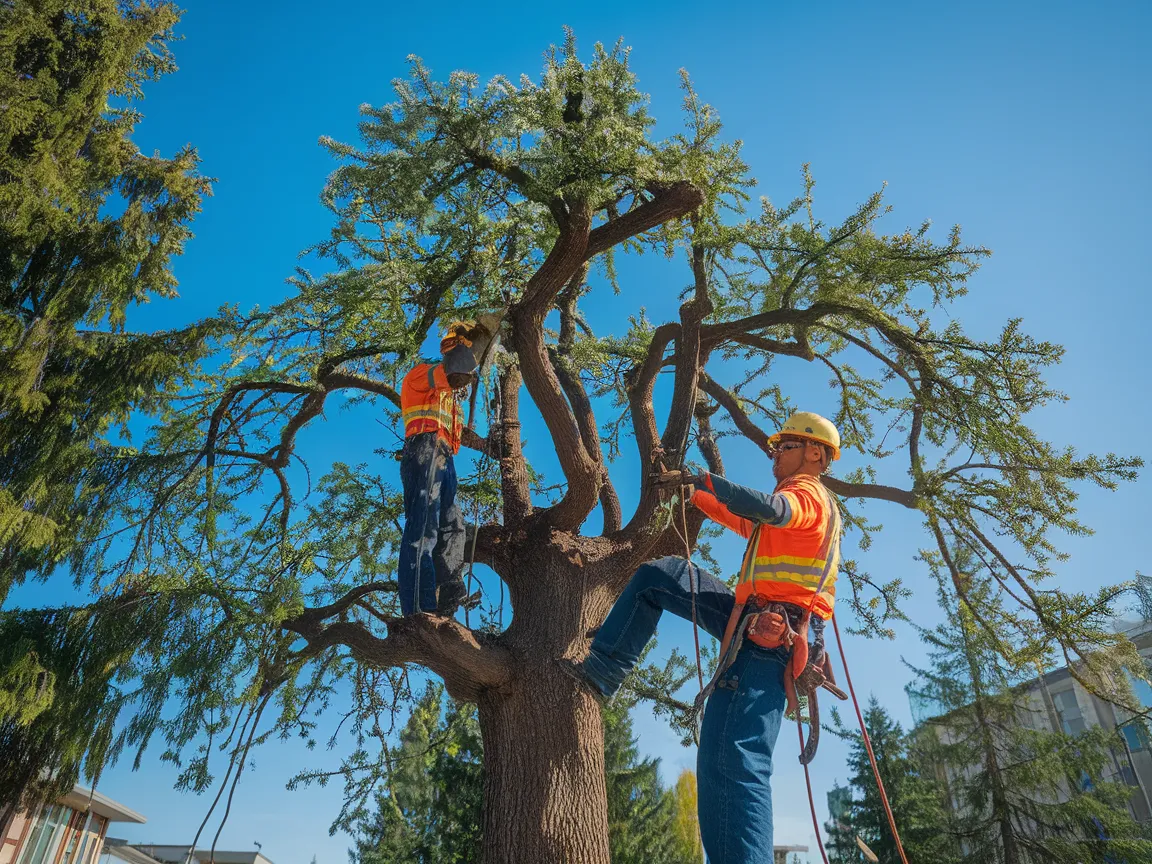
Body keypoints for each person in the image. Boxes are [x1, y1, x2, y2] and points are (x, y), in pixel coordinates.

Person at [567, 411, 843, 864]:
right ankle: (601, 670)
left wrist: (706, 480)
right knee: (662, 575)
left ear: (814, 452)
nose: (775, 454)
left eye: (785, 447)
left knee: (734, 765)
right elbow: (747, 521)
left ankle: (601, 671)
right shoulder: (798, 514)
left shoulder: (807, 494)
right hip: (757, 625)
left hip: (768, 637)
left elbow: (771, 510)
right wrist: (692, 491)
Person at [397, 320, 489, 617]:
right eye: (457, 349)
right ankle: (418, 610)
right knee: (424, 527)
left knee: (453, 526)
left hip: (444, 457)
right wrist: (469, 341)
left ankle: (447, 591)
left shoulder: (449, 401)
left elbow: (462, 434)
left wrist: (493, 445)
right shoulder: (421, 374)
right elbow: (456, 369)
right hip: (423, 450)